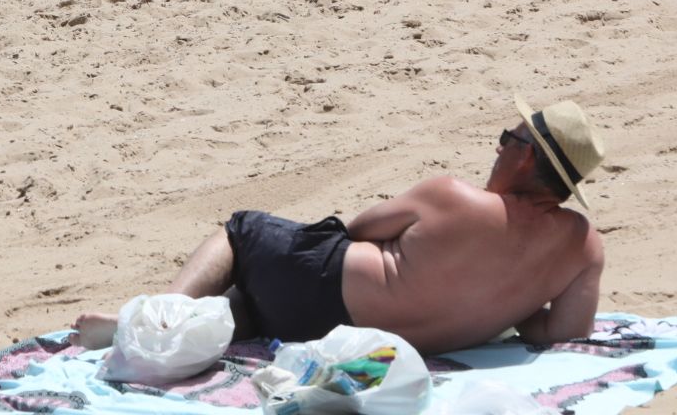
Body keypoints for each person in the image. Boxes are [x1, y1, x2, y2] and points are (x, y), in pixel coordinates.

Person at [76, 98, 607, 355]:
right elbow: (564, 332)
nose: (496, 148)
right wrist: (511, 304)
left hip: (324, 290)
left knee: (242, 232)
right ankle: (185, 327)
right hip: (355, 343)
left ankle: (157, 320)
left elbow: (358, 229)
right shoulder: (583, 248)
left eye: (507, 139)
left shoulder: (454, 196)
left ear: (525, 157)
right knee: (259, 304)